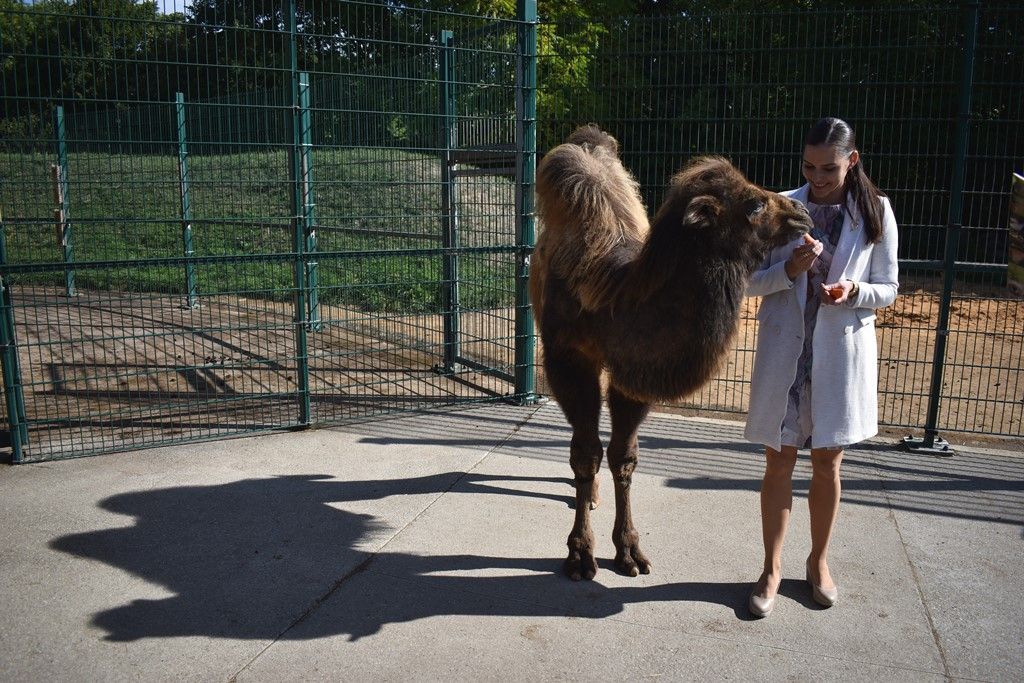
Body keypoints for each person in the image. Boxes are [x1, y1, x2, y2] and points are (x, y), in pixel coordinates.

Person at [744, 117, 899, 618]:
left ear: (851, 161)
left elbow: (890, 289)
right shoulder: (781, 209)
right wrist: (788, 271)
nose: (817, 177)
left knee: (828, 462)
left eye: (829, 167)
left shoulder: (875, 212)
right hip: (786, 354)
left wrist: (852, 292)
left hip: (838, 355)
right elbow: (748, 280)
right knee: (779, 462)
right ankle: (770, 567)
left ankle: (818, 562)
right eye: (809, 166)